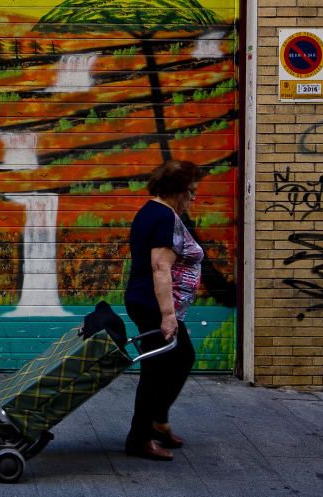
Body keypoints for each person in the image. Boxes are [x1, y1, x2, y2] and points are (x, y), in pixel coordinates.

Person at [123, 159, 203, 461]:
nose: (193, 197)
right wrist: (168, 315)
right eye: (190, 191)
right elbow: (160, 266)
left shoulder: (150, 211)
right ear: (175, 190)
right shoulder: (163, 217)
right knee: (155, 372)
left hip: (145, 300)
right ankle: (140, 438)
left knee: (182, 357)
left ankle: (157, 421)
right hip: (153, 304)